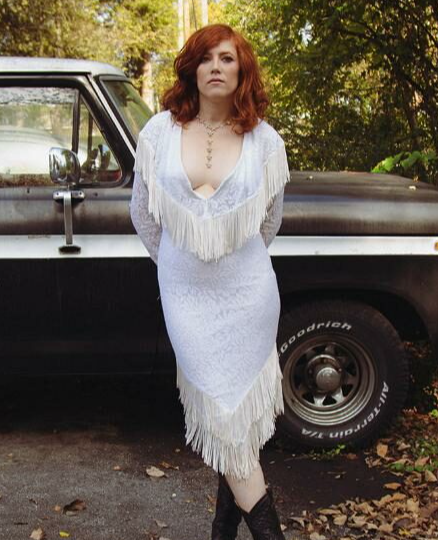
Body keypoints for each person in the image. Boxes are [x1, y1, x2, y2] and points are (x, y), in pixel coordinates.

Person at [128, 24, 289, 540]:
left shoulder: (266, 141)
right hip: (186, 298)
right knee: (225, 424)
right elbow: (143, 215)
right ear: (191, 69)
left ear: (242, 71)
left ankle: (224, 532)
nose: (216, 67)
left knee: (235, 429)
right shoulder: (159, 132)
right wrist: (181, 266)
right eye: (206, 58)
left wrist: (229, 262)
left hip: (249, 297)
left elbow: (268, 222)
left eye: (227, 58)